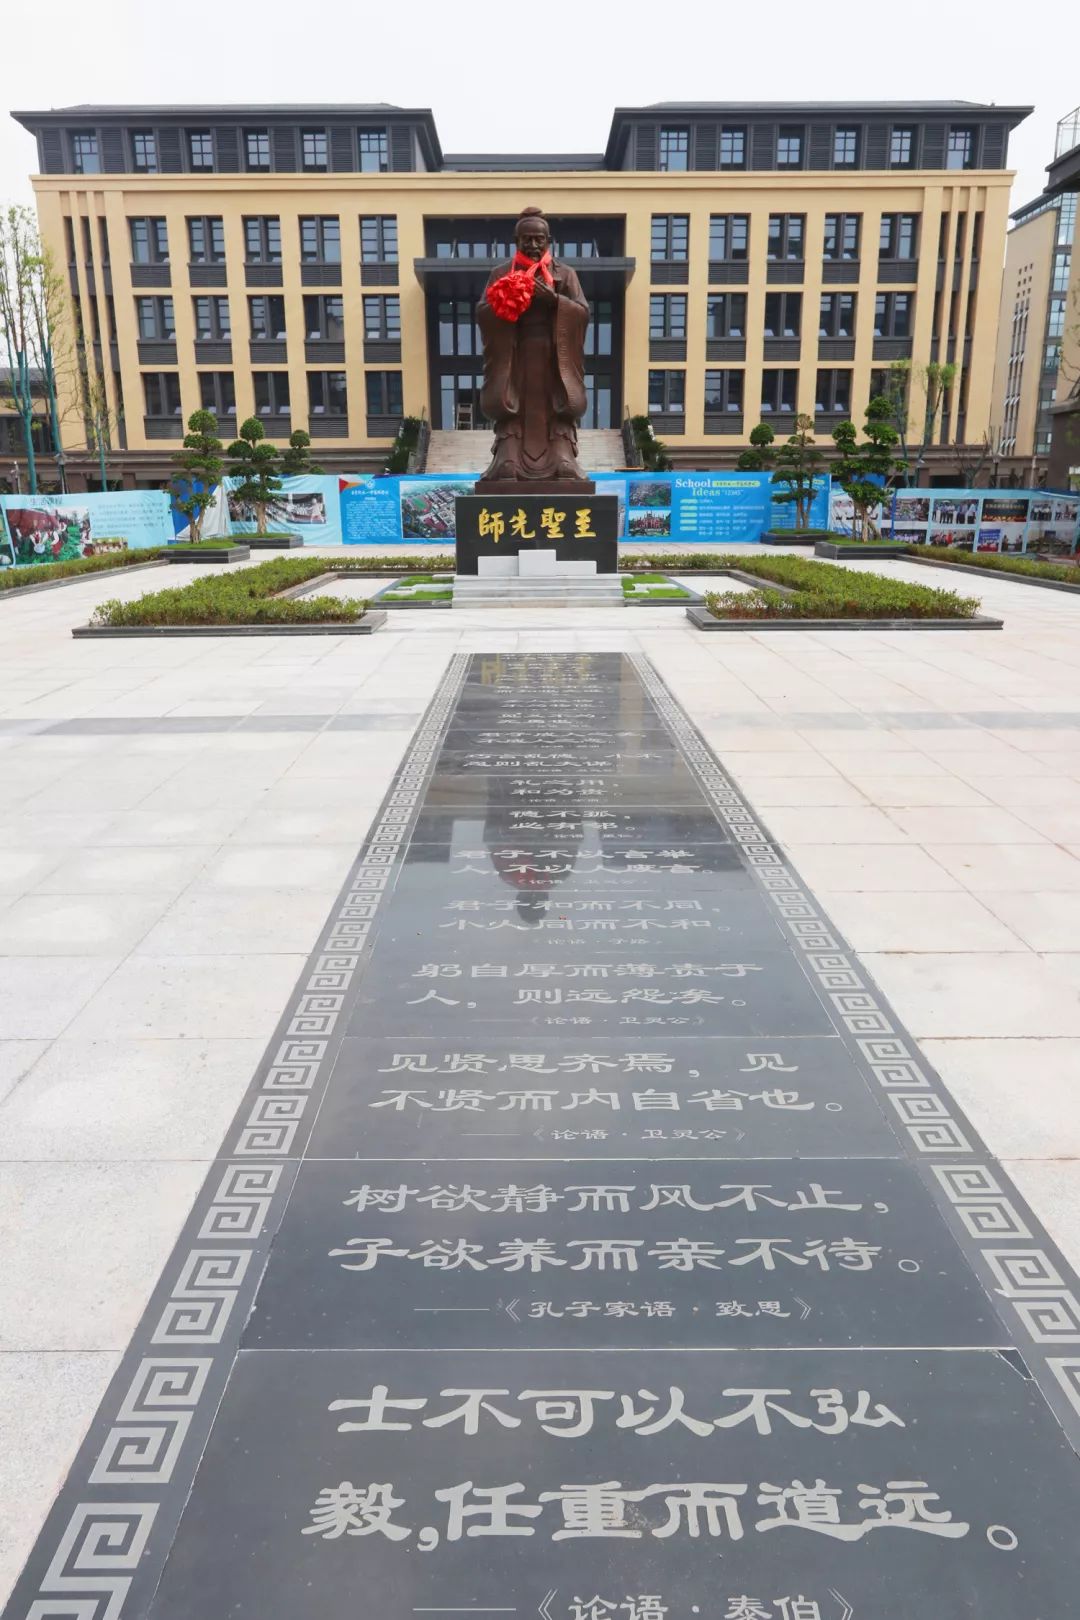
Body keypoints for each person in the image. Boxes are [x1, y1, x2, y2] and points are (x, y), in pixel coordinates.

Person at [476, 206, 590, 485]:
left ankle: (562, 456)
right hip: (516, 354)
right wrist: (508, 302)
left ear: (548, 240)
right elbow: (483, 311)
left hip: (554, 355)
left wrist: (555, 301)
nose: (533, 245)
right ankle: (509, 457)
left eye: (539, 239)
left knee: (556, 402)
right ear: (516, 241)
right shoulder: (501, 273)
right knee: (514, 401)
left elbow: (582, 312)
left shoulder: (565, 274)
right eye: (527, 239)